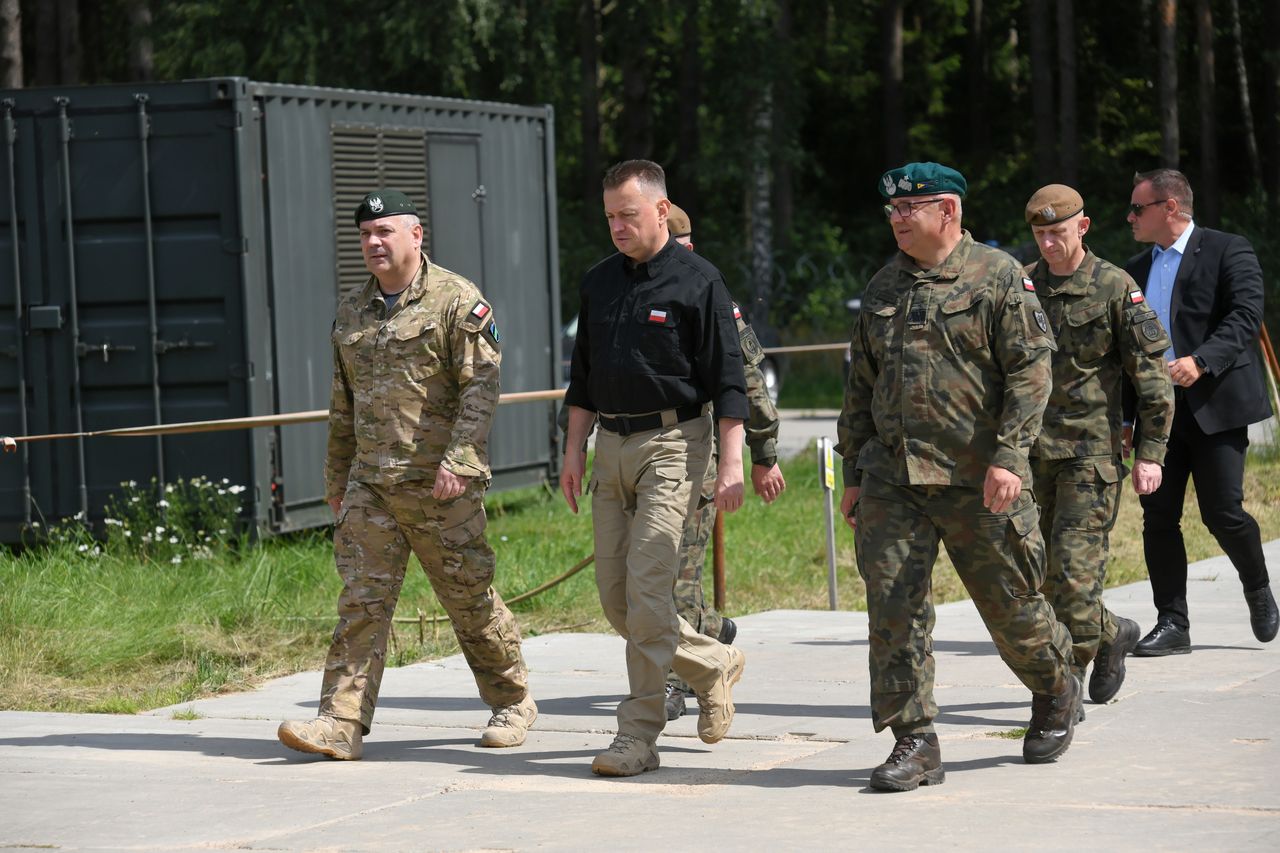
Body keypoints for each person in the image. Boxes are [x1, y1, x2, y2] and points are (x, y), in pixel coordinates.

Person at [837, 162, 1081, 793]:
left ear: (947, 210)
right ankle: (914, 741)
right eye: (891, 210)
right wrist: (854, 470)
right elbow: (860, 386)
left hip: (979, 478)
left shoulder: (998, 277)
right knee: (893, 610)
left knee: (1012, 608)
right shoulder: (885, 286)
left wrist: (1010, 457)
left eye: (907, 209)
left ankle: (1055, 686)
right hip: (893, 478)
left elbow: (1031, 373)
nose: (896, 219)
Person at [277, 189, 535, 760]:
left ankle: (513, 700)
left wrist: (461, 460)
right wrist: (336, 478)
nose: (373, 242)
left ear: (416, 235)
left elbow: (480, 386)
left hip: (440, 485)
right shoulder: (352, 310)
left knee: (468, 598)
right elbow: (343, 403)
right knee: (362, 603)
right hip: (372, 483)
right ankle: (340, 723)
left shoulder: (456, 300)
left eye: (385, 231)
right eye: (366, 234)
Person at [561, 160, 748, 777]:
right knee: (615, 599)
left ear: (661, 211)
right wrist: (572, 453)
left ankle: (637, 735)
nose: (617, 226)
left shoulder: (700, 281)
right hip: (609, 449)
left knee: (646, 591)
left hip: (675, 445)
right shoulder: (598, 282)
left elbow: (729, 379)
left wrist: (731, 462)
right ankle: (709, 663)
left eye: (628, 215)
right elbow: (582, 377)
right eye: (610, 216)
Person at [1021, 184, 1174, 706]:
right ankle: (1113, 635)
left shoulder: (1114, 287)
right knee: (1039, 579)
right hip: (1029, 456)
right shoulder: (1020, 287)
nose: (1048, 245)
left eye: (1058, 233)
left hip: (1090, 457)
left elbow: (1152, 379)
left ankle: (1063, 685)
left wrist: (1151, 453)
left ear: (1082, 228)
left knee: (1073, 577)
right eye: (1040, 235)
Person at [1123, 168, 1277, 654]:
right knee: (1158, 518)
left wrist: (1202, 361)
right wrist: (1127, 419)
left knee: (1223, 513)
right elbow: (1126, 350)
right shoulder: (1132, 269)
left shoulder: (1228, 248)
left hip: (1216, 404)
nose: (1129, 216)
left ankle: (1256, 587)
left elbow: (1246, 314)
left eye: (1138, 208)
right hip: (1157, 415)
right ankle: (1173, 623)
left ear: (1170, 207)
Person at [662, 203, 787, 722]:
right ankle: (711, 629)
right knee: (646, 574)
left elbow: (749, 379)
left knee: (674, 575)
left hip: (699, 459)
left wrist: (763, 454)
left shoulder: (707, 294)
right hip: (637, 457)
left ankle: (674, 678)